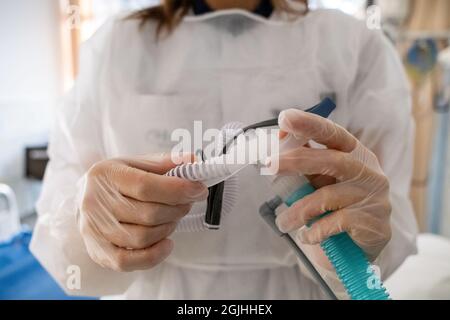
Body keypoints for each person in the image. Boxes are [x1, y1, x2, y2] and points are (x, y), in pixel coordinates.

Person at [30, 0, 418, 299]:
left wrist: (358, 235)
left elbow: (389, 222)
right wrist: (92, 222)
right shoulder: (118, 46)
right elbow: (60, 238)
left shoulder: (355, 47)